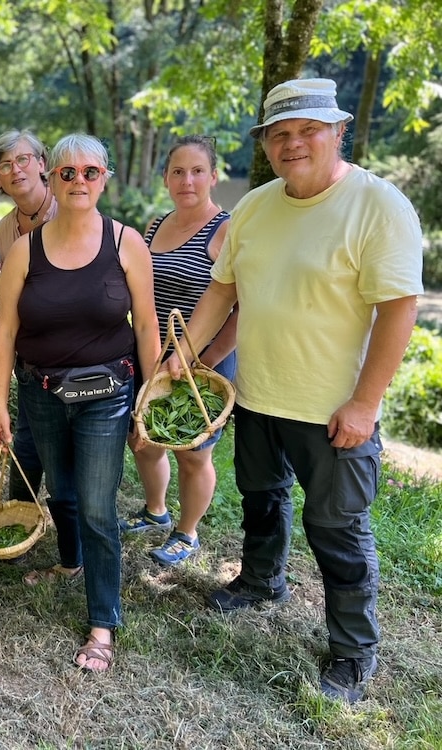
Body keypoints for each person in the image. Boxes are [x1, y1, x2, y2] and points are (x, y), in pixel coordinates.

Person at [165, 78, 422, 702]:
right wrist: (185, 352)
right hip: (256, 395)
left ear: (338, 132)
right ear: (267, 145)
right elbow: (222, 291)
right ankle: (260, 581)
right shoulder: (254, 207)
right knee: (261, 498)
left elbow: (398, 310)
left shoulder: (379, 205)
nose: (294, 143)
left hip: (333, 410)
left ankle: (354, 651)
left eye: (309, 129)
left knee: (336, 527)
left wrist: (365, 403)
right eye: (280, 133)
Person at [0, 134, 160, 672]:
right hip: (41, 393)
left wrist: (150, 400)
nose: (79, 181)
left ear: (104, 177)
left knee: (95, 506)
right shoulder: (25, 249)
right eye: (68, 173)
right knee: (61, 494)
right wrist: (0, 403)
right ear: (52, 178)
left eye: (90, 172)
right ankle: (70, 563)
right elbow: (5, 331)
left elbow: (148, 325)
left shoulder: (126, 243)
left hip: (107, 395)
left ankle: (102, 623)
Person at [119, 135, 237, 566]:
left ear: (214, 176)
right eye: (177, 172)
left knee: (193, 453)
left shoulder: (226, 229)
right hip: (153, 353)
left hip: (205, 361)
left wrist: (206, 358)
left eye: (197, 171)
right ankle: (155, 511)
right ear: (166, 177)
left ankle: (186, 533)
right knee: (145, 442)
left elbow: (240, 309)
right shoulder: (156, 224)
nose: (187, 180)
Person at [0, 130, 57, 505]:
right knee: (25, 441)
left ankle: (74, 540)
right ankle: (20, 517)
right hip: (29, 354)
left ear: (42, 163)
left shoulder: (70, 208)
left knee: (66, 456)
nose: (16, 170)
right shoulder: (6, 228)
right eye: (5, 166)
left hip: (72, 354)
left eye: (23, 159)